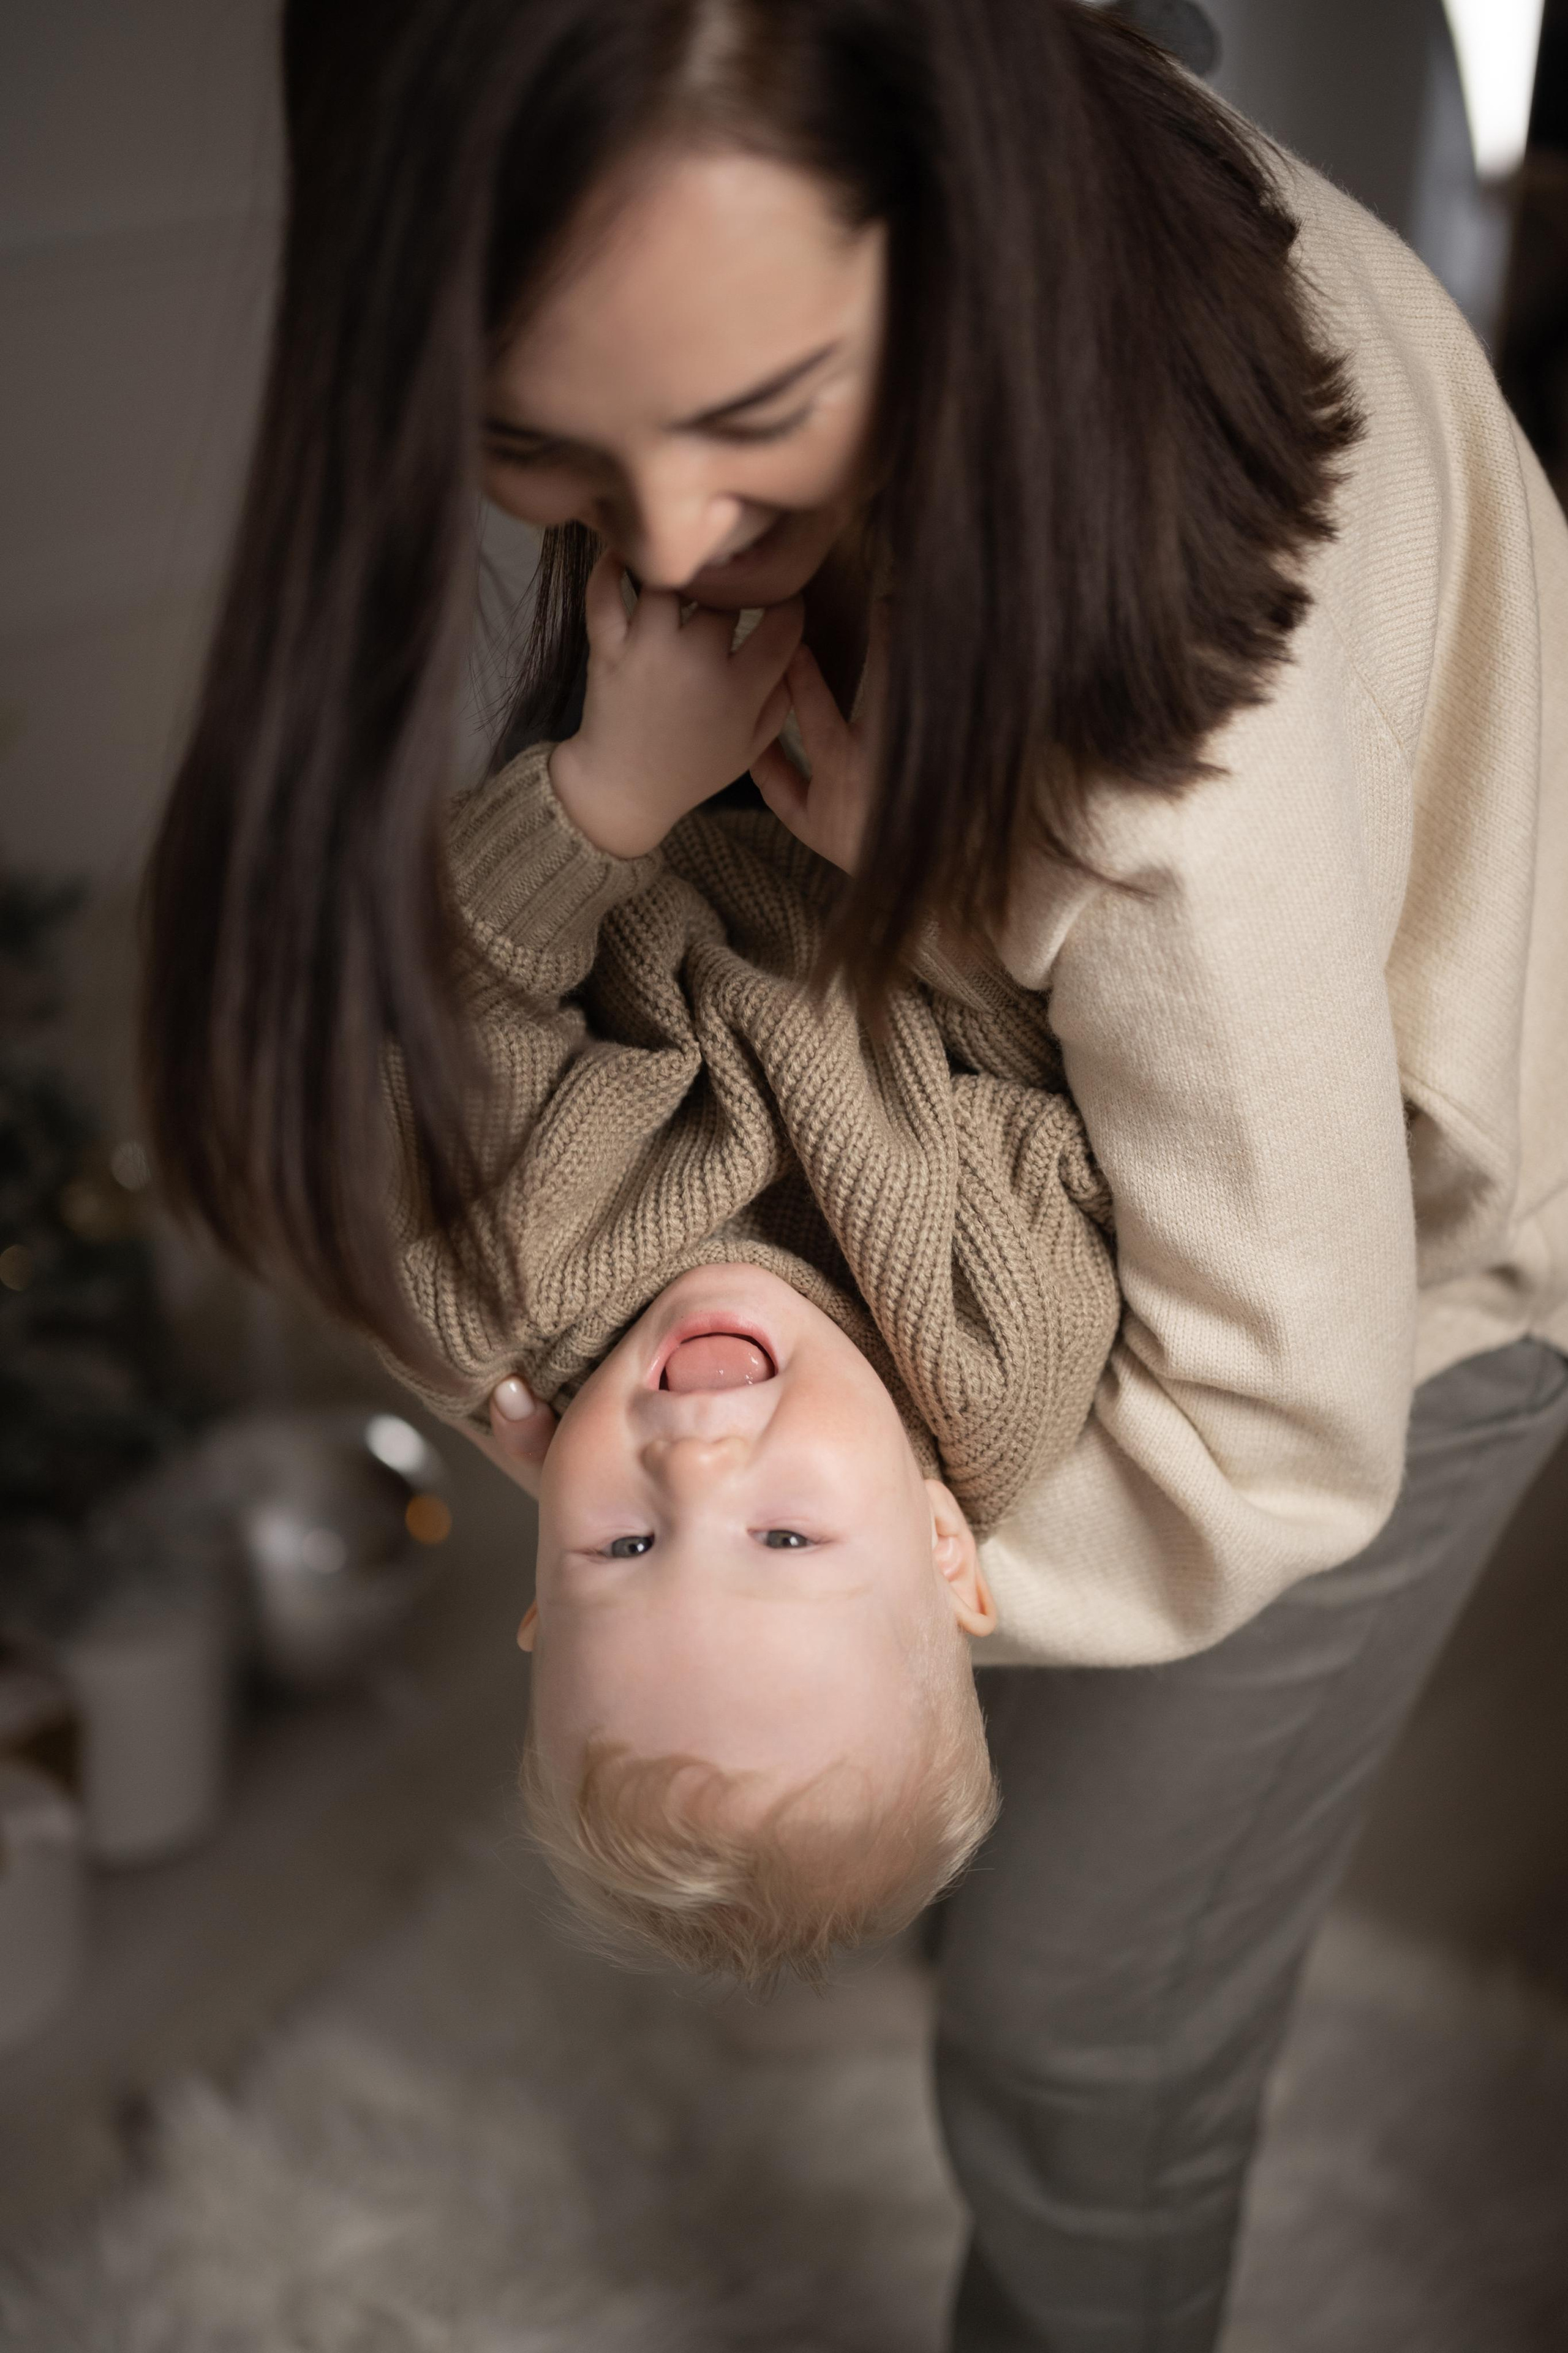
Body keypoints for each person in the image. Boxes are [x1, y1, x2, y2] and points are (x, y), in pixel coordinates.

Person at [141, 2, 1568, 2347]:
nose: (668, 552)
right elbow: (979, 1137)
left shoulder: (1168, 743)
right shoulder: (986, 1346)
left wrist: (760, 847)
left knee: (1081, 2019)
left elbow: (1268, 1433)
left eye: (753, 425)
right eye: (541, 453)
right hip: (1093, 1106)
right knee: (942, 1815)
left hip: (1408, 1271)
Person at [384, 639, 1118, 1984]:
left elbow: (442, 1012)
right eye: (782, 1535)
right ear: (944, 1545)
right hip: (910, 825)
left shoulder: (505, 1300)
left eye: (620, 1544)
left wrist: (604, 793)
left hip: (613, 783)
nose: (694, 1463)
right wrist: (922, 876)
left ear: (538, 1580)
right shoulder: (994, 1351)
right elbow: (1052, 1083)